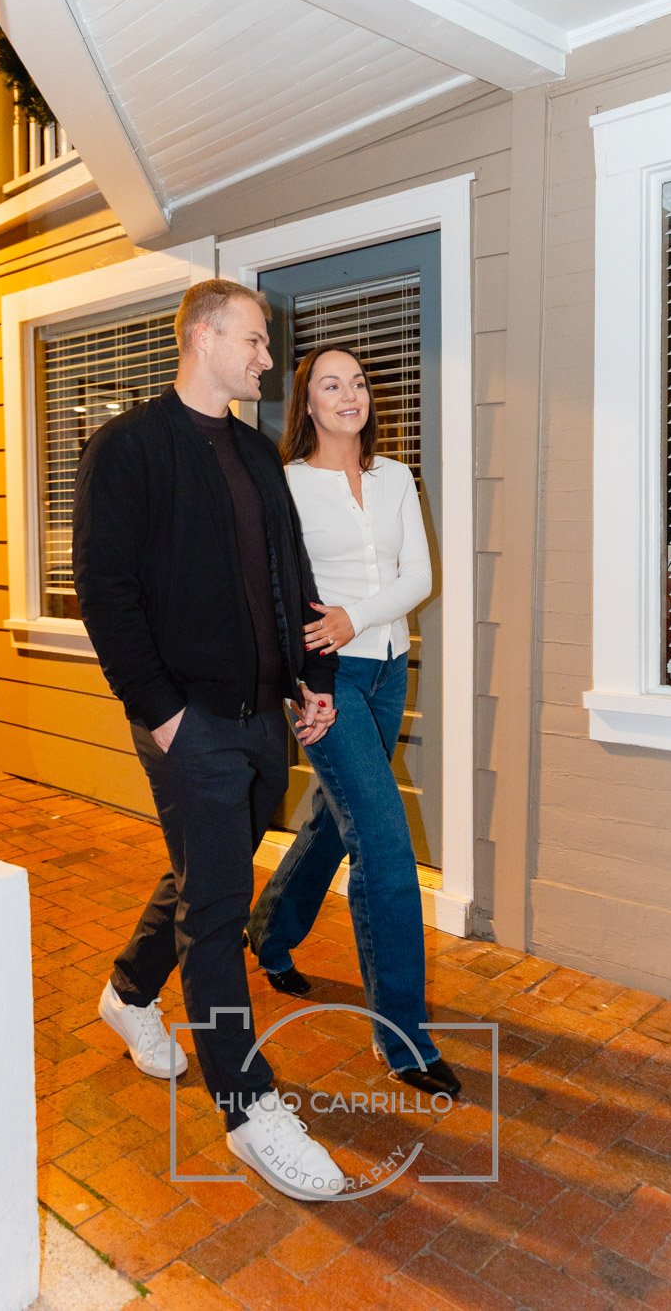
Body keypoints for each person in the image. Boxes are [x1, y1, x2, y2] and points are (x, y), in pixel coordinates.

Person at [72, 279, 346, 1200]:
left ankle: (128, 992)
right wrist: (162, 711)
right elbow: (106, 592)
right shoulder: (128, 450)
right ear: (203, 336)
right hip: (186, 718)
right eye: (258, 341)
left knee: (208, 869)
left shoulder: (258, 456)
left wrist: (315, 682)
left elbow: (289, 573)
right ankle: (247, 1109)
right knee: (222, 908)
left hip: (263, 714)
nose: (270, 359)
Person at [245, 345, 461, 1099]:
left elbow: (420, 577)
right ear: (306, 401)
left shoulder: (394, 476)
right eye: (331, 384)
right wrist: (304, 679)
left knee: (338, 824)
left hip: (387, 668)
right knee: (385, 843)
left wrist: (355, 617)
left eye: (359, 382)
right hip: (325, 685)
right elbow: (275, 592)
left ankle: (269, 932)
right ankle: (404, 1038)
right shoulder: (286, 485)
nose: (349, 394)